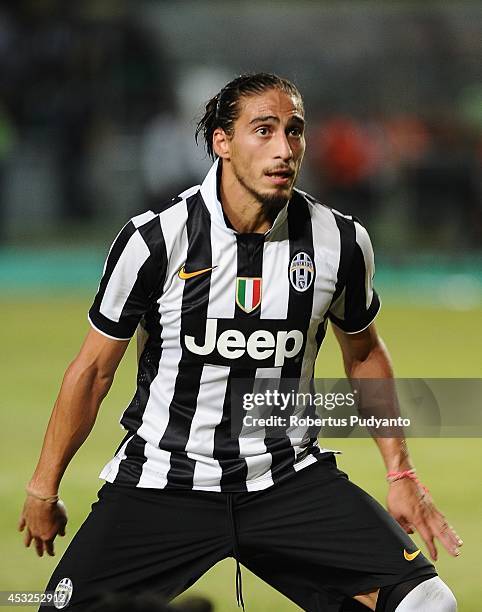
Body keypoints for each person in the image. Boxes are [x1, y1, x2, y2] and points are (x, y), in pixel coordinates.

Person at [19, 73, 461, 612]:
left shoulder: (339, 241)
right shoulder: (156, 239)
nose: (284, 149)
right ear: (221, 142)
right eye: (264, 130)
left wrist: (401, 472)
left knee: (428, 603)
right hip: (163, 482)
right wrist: (44, 488)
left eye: (294, 132)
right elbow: (92, 371)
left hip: (288, 482)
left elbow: (363, 350)